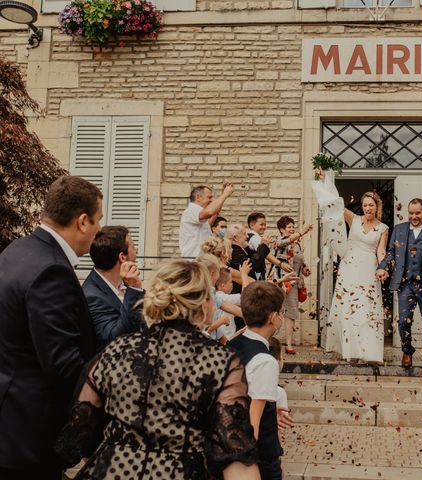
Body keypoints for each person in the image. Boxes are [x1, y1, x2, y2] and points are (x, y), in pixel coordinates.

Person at [55, 260, 260, 480]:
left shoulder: (116, 350)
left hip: (112, 469)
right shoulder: (221, 361)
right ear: (203, 304)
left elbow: (78, 433)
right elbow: (235, 453)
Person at [0, 175, 102, 480]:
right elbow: (63, 364)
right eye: (97, 221)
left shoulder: (17, 250)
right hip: (28, 434)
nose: (98, 230)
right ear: (82, 221)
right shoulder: (52, 270)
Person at [313, 169, 389, 364]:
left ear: (377, 206)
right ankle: (350, 350)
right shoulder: (353, 219)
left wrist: (383, 267)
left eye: (371, 205)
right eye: (364, 205)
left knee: (366, 308)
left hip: (368, 269)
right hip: (349, 266)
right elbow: (336, 203)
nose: (367, 208)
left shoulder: (383, 228)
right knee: (348, 306)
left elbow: (381, 250)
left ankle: (368, 352)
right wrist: (326, 180)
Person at [377, 198, 422, 387]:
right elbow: (391, 252)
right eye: (411, 213)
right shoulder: (400, 230)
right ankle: (407, 350)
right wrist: (383, 266)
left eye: (417, 213)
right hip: (405, 284)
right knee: (402, 322)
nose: (413, 217)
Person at [228, 281, 286, 480]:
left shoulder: (233, 344)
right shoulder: (265, 361)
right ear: (272, 318)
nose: (282, 317)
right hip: (259, 457)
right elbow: (254, 419)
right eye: (281, 312)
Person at [83, 226, 145, 351]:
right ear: (122, 257)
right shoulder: (92, 296)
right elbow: (115, 338)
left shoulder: (123, 282)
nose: (136, 251)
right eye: (133, 246)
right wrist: (134, 289)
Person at [273, 216, 313, 354]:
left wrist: (305, 269)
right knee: (274, 310)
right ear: (282, 229)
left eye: (292, 227)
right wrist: (302, 232)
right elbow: (285, 243)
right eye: (288, 227)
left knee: (291, 313)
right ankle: (267, 339)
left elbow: (300, 263)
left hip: (295, 283)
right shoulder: (279, 241)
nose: (291, 229)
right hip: (281, 281)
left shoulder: (298, 245)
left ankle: (289, 344)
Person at [179, 183, 234, 258]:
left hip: (201, 259)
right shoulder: (192, 209)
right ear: (198, 197)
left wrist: (222, 195)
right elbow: (209, 212)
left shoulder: (198, 213)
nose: (211, 201)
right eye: (209, 197)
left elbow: (214, 213)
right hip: (193, 261)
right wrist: (225, 194)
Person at [246, 212, 292, 280]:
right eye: (261, 224)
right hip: (255, 273)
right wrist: (281, 264)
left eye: (265, 225)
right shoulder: (254, 237)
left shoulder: (253, 236)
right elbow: (265, 253)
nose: (264, 227)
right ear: (252, 225)